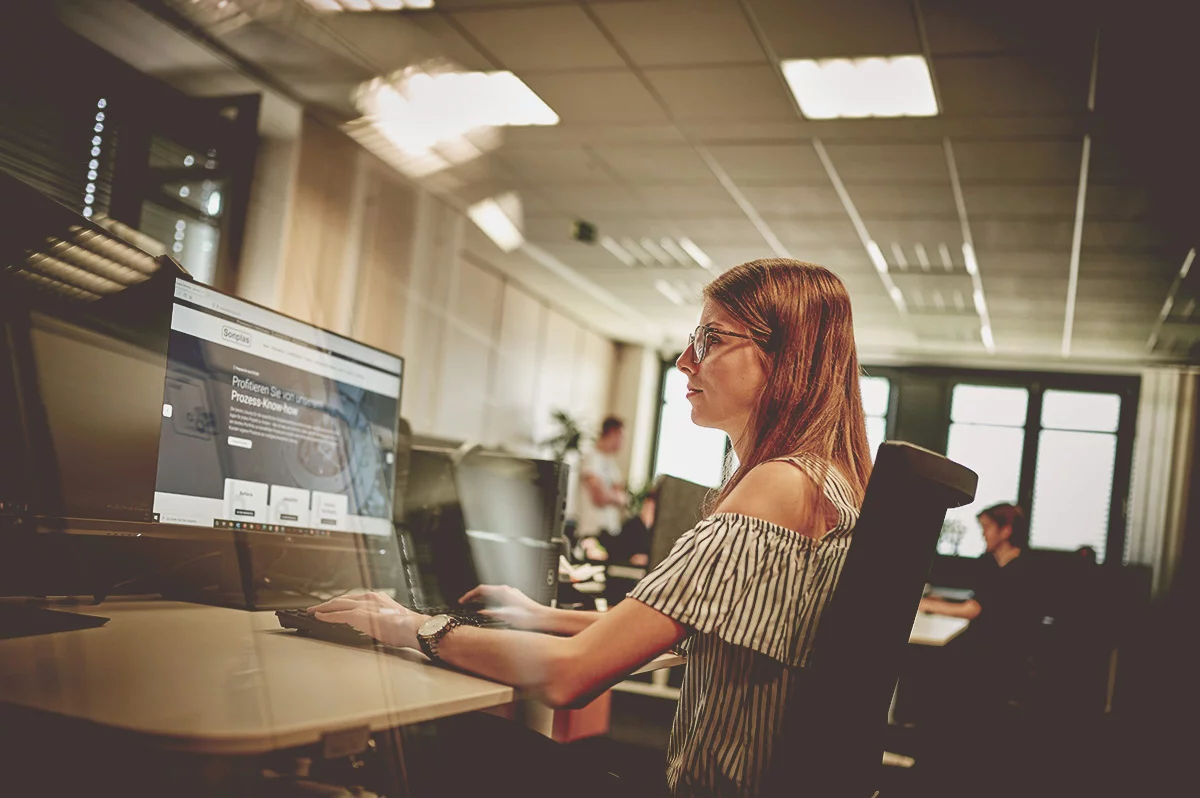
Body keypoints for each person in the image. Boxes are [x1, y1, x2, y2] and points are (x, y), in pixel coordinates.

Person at [311, 258, 874, 798]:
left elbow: (567, 678)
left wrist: (411, 625)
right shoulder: (831, 485)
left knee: (415, 738)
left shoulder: (777, 488)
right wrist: (543, 616)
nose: (685, 360)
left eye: (710, 339)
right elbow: (695, 625)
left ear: (785, 358)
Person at [575, 416, 627, 561]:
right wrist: (615, 496)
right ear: (612, 433)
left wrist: (611, 495)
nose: (622, 442)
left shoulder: (612, 464)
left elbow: (624, 499)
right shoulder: (591, 458)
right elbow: (599, 497)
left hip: (611, 532)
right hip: (591, 532)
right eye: (621, 436)